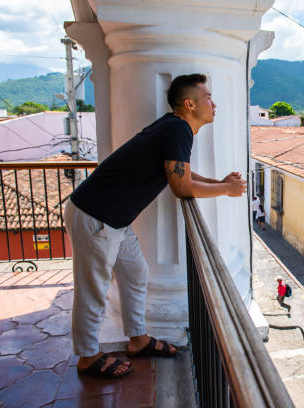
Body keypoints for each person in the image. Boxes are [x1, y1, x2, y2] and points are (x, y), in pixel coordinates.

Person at [65, 74, 247, 378]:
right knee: (93, 291)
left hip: (114, 220)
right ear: (190, 104)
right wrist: (226, 190)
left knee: (136, 274)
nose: (214, 104)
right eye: (208, 98)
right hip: (95, 215)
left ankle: (137, 340)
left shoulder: (173, 126)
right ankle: (87, 356)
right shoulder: (178, 129)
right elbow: (182, 187)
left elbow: (182, 173)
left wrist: (219, 183)